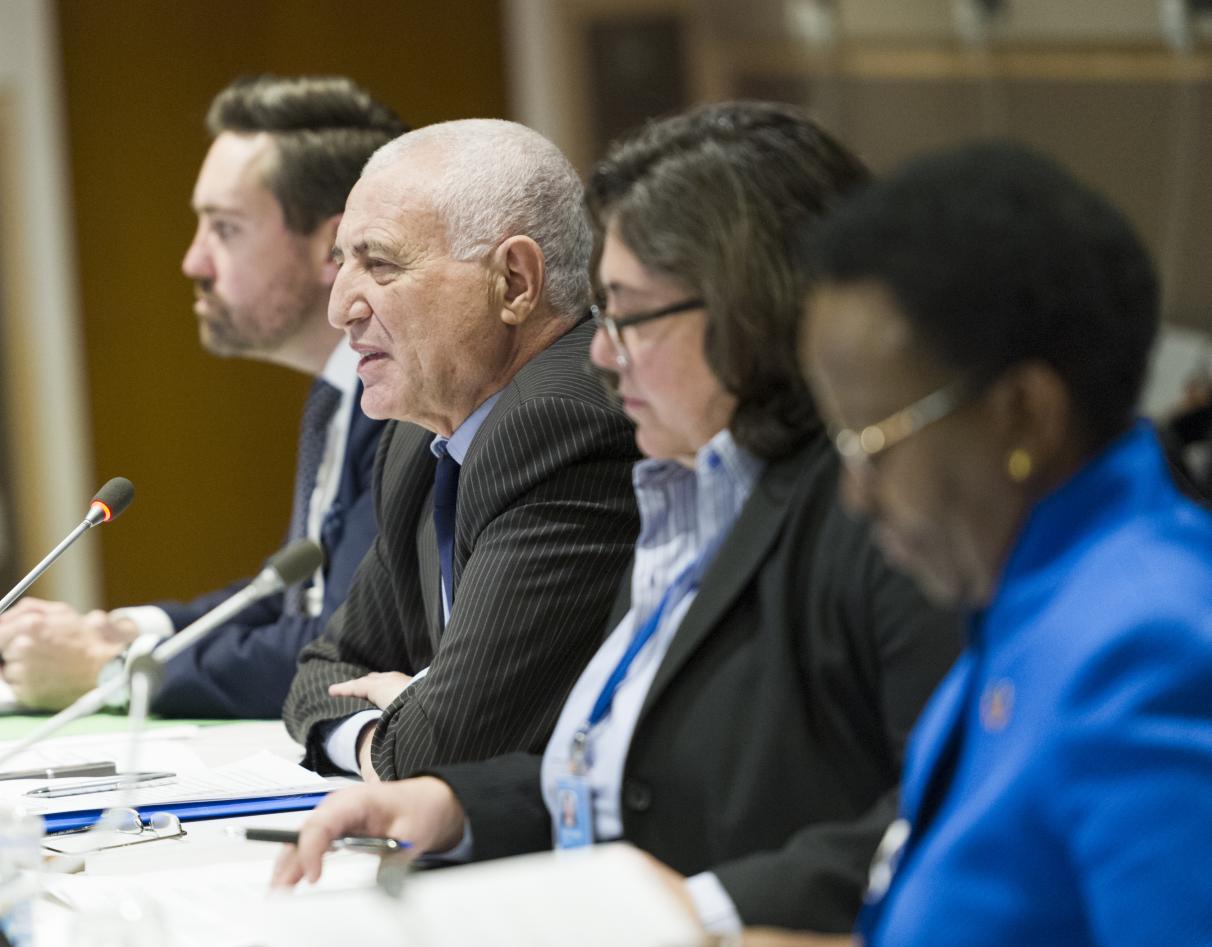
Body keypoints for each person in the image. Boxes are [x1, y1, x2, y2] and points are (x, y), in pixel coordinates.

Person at [273, 102, 961, 940]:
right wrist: (459, 806)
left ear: (749, 310)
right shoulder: (693, 493)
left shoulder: (882, 518)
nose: (601, 351)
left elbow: (947, 813)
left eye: (629, 315)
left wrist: (706, 911)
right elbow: (636, 782)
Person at [801, 141, 1212, 945]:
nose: (857, 495)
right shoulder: (1033, 600)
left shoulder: (1148, 650)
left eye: (874, 444)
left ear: (1025, 413)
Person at [0, 75, 407, 718]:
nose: (193, 262)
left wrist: (109, 670)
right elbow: (292, 595)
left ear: (333, 246)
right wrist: (129, 629)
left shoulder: (406, 407)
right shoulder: (335, 397)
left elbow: (342, 644)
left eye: (224, 229)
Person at [281, 119, 643, 782]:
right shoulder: (418, 439)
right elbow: (322, 672)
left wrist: (403, 721)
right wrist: (387, 727)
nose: (340, 309)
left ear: (514, 282)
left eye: (380, 264)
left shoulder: (564, 426)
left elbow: (438, 754)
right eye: (342, 263)